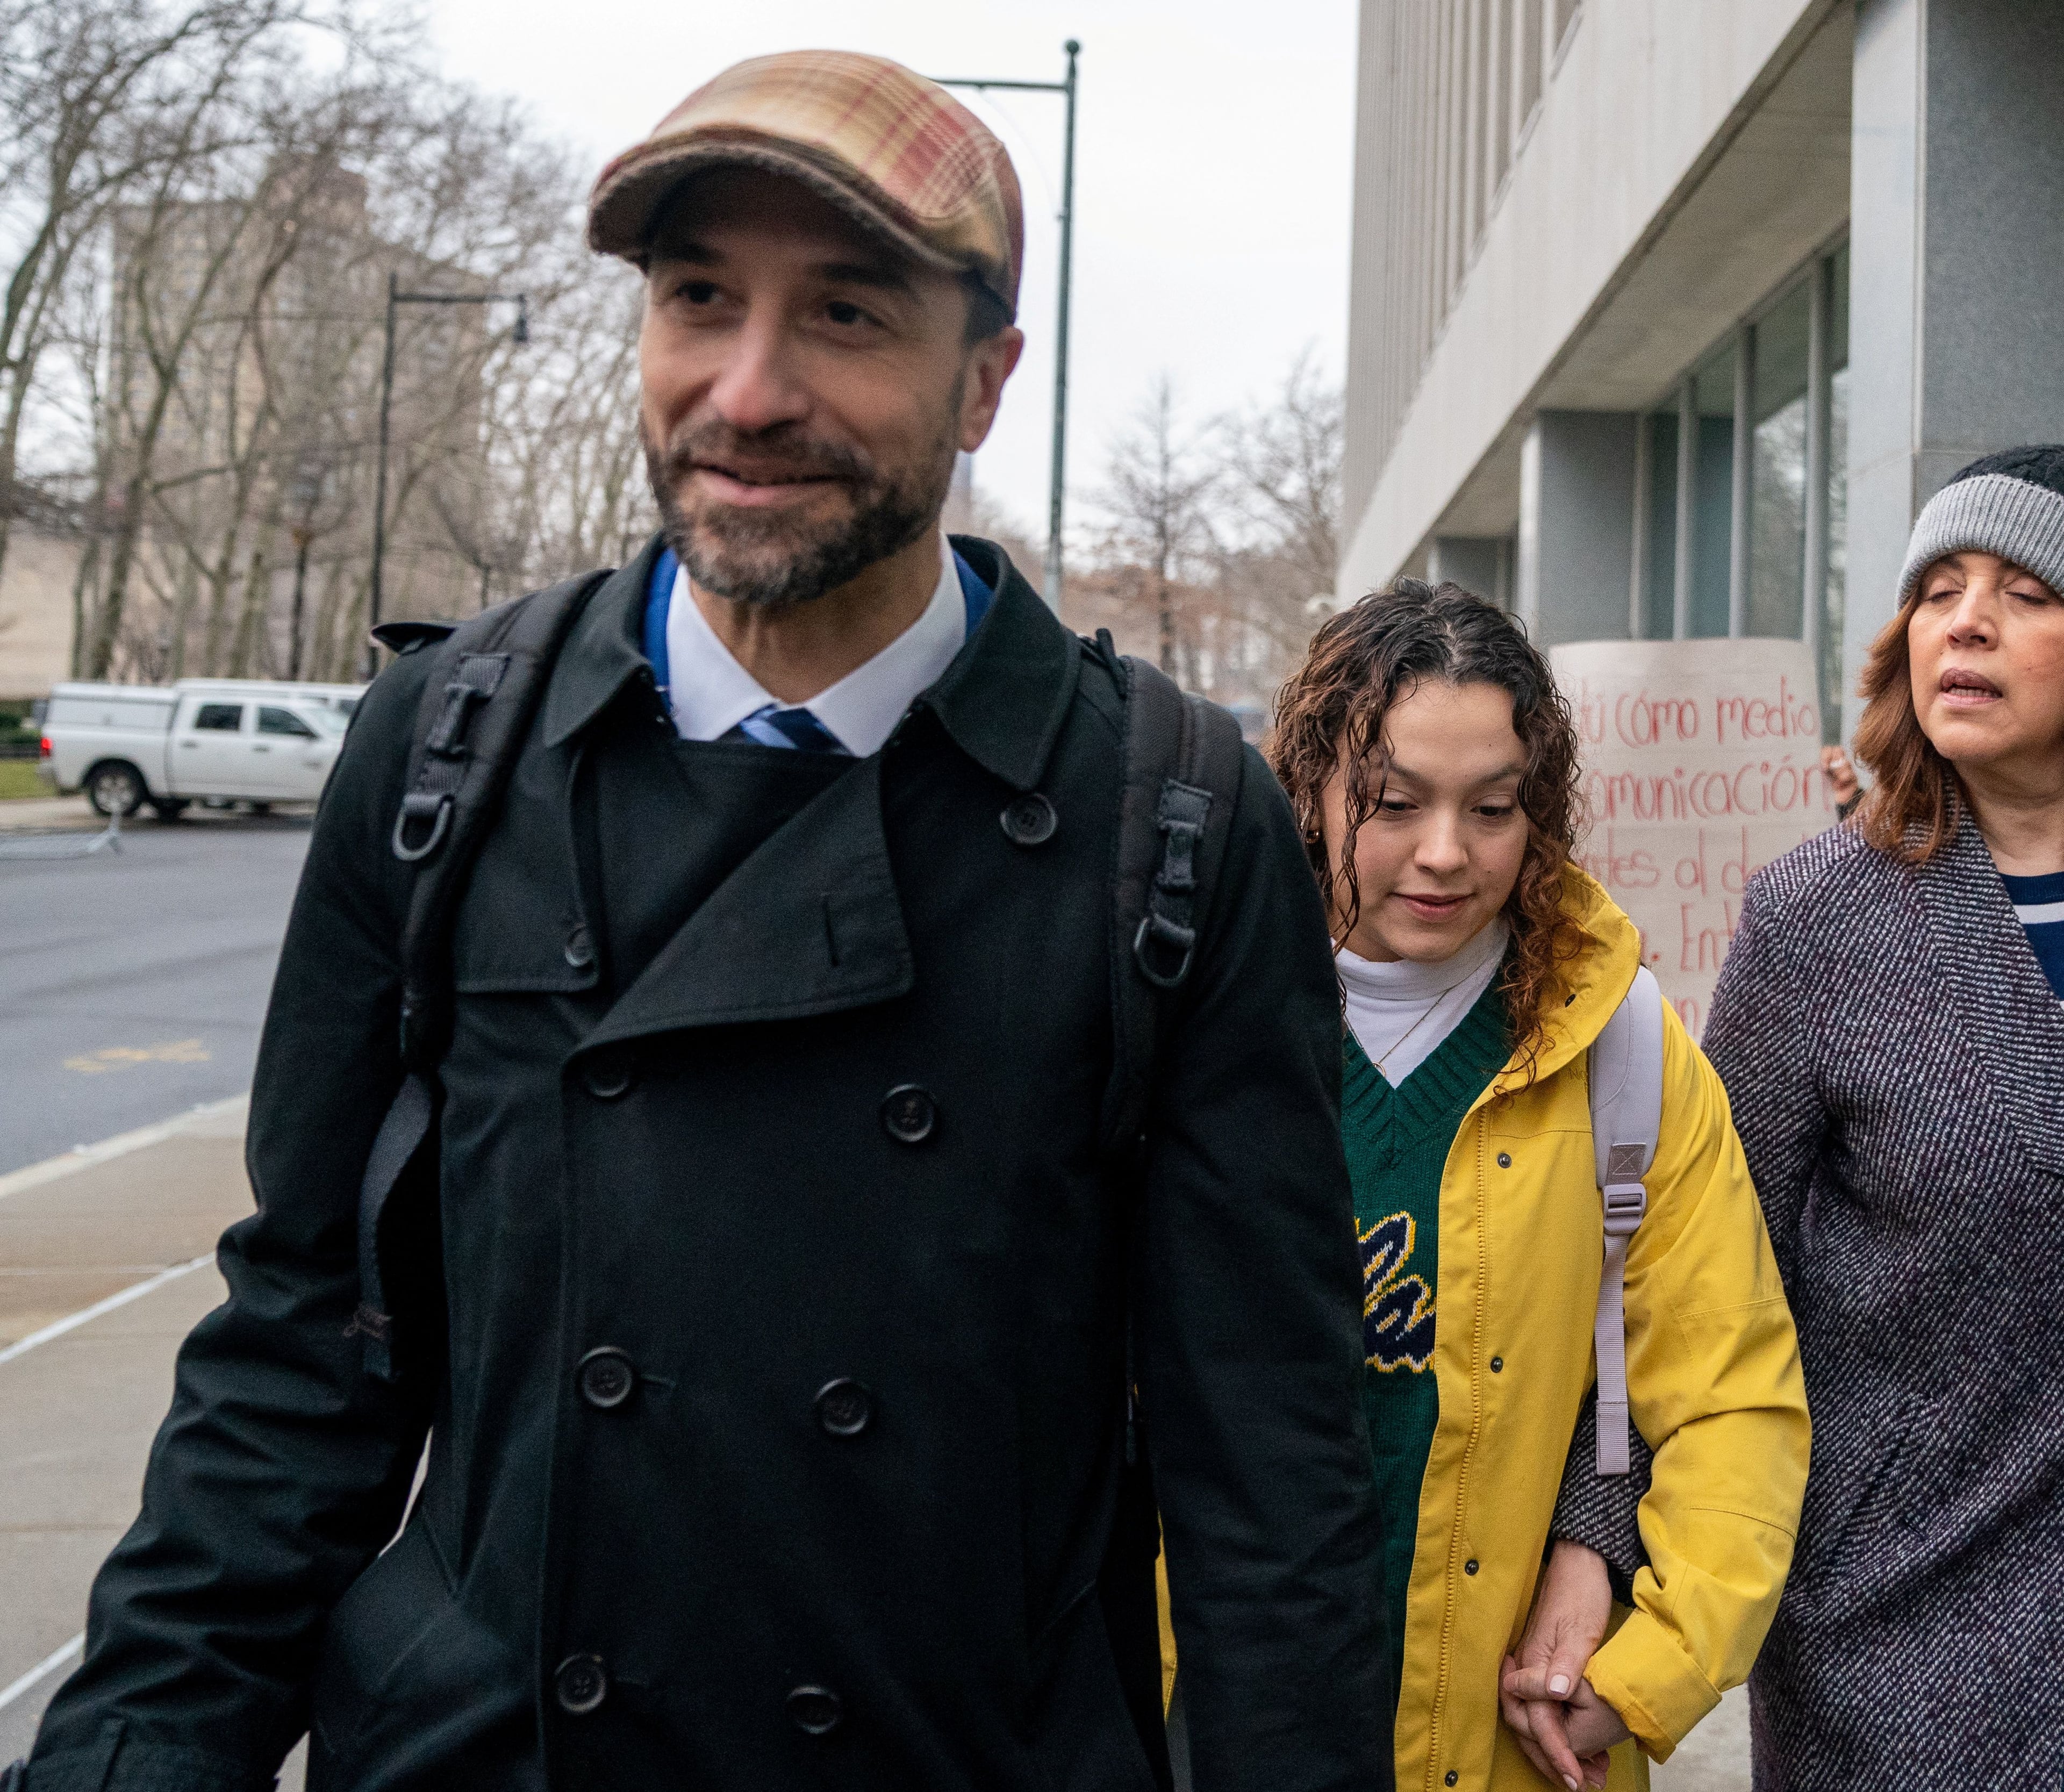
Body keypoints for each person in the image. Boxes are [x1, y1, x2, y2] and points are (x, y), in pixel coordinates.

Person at [10, 52, 1395, 1792]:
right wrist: (133, 1752)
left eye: (845, 313)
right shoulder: (446, 751)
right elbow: (305, 1350)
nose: (748, 389)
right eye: (697, 300)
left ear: (985, 383)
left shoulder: (1174, 821)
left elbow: (1271, 1465)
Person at [1543, 418, 2064, 1791]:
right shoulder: (1820, 914)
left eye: (2023, 595)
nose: (1964, 623)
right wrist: (1603, 1535)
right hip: (1905, 1582)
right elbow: (1701, 1271)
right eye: (1938, 588)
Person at [1259, 580, 1809, 1792]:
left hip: (1513, 1744)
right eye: (1394, 802)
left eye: (1493, 806)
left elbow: (1730, 1402)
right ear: (1310, 785)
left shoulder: (1623, 1046)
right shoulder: (1206, 1023)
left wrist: (1649, 1661)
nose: (1446, 851)